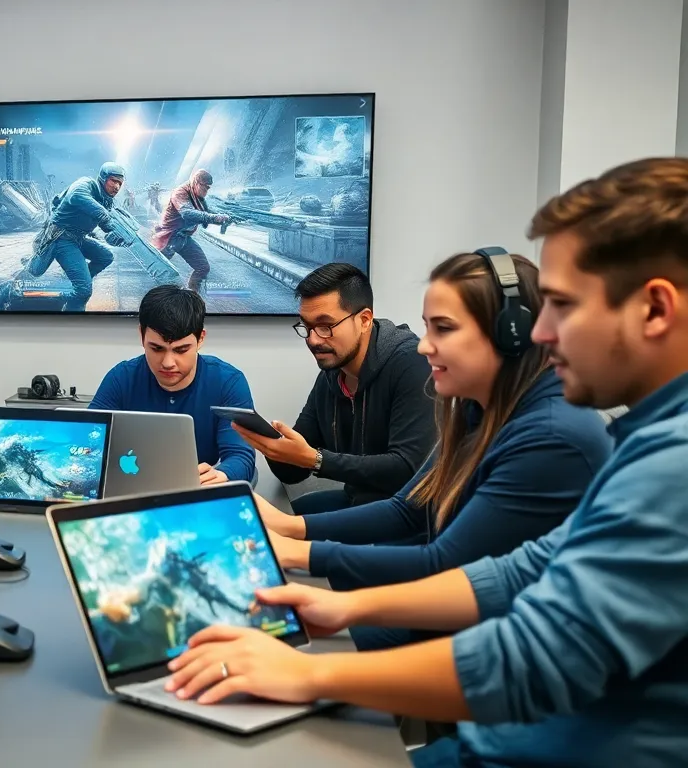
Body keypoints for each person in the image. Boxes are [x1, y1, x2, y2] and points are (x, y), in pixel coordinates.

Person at [163, 157, 688, 768]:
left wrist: (307, 673)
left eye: (564, 306)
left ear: (654, 310)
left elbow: (529, 654)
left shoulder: (620, 452)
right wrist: (338, 601)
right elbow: (517, 570)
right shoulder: (637, 439)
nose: (542, 332)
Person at [257, 251, 611, 649]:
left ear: (510, 334)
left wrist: (300, 555)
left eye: (444, 329)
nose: (425, 347)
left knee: (312, 645)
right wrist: (288, 529)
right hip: (471, 612)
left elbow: (444, 562)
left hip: (507, 640)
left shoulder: (550, 437)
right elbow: (408, 508)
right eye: (428, 328)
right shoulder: (481, 410)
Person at [239, 263, 435, 514]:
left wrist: (315, 460)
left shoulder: (412, 363)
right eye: (307, 327)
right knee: (267, 522)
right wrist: (272, 447)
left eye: (325, 326)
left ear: (364, 320)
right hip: (358, 502)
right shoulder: (333, 374)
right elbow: (293, 472)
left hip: (410, 513)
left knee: (287, 530)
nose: (313, 340)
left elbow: (407, 468)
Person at [89, 285, 257, 485]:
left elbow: (241, 457)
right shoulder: (121, 378)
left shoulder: (228, 382)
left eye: (181, 349)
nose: (168, 362)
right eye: (157, 348)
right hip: (130, 491)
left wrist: (220, 476)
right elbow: (89, 441)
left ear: (201, 338)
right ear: (141, 335)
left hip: (197, 497)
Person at [22, 161, 127, 311]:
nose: (116, 187)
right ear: (103, 178)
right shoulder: (86, 184)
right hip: (60, 238)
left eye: (120, 183)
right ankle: (69, 304)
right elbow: (76, 196)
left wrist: (119, 235)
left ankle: (77, 285)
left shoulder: (106, 200)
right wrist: (105, 215)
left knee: (105, 257)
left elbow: (106, 226)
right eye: (113, 181)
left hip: (78, 238)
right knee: (35, 271)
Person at [149, 168, 230, 292]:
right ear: (197, 183)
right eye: (206, 187)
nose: (207, 191)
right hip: (169, 237)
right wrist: (215, 217)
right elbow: (187, 213)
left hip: (183, 238)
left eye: (209, 188)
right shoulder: (180, 192)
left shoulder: (197, 196)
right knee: (160, 271)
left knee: (202, 267)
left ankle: (192, 296)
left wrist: (222, 218)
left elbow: (205, 213)